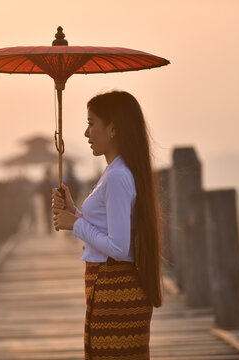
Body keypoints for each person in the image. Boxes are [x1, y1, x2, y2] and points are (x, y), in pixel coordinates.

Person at [51, 90, 163, 359]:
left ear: (112, 128)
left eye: (91, 123)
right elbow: (108, 230)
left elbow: (119, 247)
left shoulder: (116, 177)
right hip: (109, 286)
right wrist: (74, 212)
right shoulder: (115, 172)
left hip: (115, 287)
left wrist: (75, 225)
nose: (87, 134)